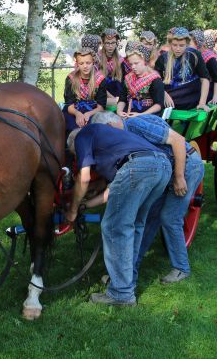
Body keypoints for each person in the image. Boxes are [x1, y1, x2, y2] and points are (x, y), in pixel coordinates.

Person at [89, 111, 202, 283]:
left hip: (187, 165)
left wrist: (179, 177)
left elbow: (178, 141)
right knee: (149, 218)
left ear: (109, 127)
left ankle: (181, 268)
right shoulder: (124, 135)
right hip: (164, 170)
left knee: (170, 217)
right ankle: (129, 273)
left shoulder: (135, 126)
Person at [65, 122, 171, 305]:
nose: (81, 158)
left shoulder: (82, 136)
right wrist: (87, 204)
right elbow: (115, 189)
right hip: (162, 165)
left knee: (115, 227)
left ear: (74, 144)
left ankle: (121, 294)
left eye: (77, 155)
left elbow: (83, 178)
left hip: (138, 167)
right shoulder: (111, 139)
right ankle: (127, 282)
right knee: (134, 225)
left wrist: (72, 210)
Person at [154, 27, 211, 111]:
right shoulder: (163, 58)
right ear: (170, 44)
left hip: (191, 95)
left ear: (187, 44)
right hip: (171, 97)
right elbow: (155, 80)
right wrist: (164, 94)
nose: (178, 49)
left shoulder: (194, 55)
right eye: (174, 45)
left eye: (181, 45)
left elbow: (205, 79)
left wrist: (202, 103)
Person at [63, 47, 107, 132]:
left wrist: (88, 114)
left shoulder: (100, 79)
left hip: (94, 111)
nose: (85, 66)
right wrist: (78, 114)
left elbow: (101, 107)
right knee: (72, 127)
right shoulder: (71, 79)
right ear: (77, 64)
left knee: (92, 127)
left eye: (88, 63)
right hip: (74, 110)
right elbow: (69, 105)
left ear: (93, 62)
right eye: (81, 63)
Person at [117, 42, 164, 117]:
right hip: (128, 114)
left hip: (148, 117)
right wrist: (119, 111)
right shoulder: (128, 78)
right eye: (131, 64)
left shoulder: (155, 80)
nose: (133, 67)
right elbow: (122, 99)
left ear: (145, 61)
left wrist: (141, 115)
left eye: (136, 63)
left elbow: (159, 105)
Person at [190, 29, 217, 103]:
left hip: (211, 91)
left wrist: (215, 98)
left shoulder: (210, 58)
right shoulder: (194, 56)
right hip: (199, 89)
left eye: (189, 43)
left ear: (197, 43)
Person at [100, 28, 126, 111]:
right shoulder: (97, 60)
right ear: (103, 43)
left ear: (116, 43)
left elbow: (123, 82)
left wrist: (119, 98)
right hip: (103, 94)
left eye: (113, 43)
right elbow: (97, 84)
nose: (110, 46)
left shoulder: (121, 60)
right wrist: (112, 99)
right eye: (107, 43)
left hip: (118, 95)